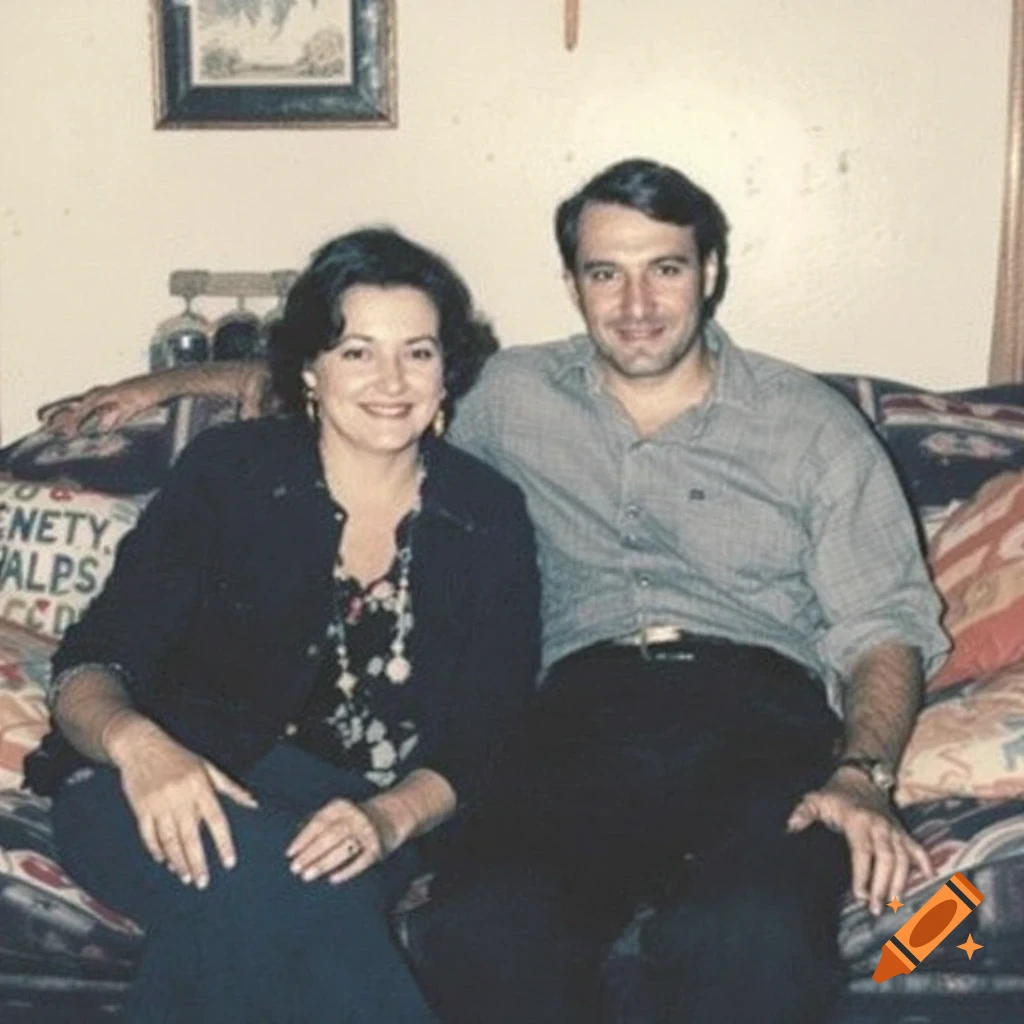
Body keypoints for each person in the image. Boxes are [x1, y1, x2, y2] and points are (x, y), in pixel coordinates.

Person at [40, 158, 948, 1024]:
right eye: (605, 273)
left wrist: (862, 773)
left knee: (750, 939)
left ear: (709, 271)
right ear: (572, 284)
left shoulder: (812, 426)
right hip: (574, 721)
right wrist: (168, 382)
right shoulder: (511, 396)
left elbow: (883, 625)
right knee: (482, 932)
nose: (635, 305)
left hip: (757, 716)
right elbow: (357, 383)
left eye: (664, 268)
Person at [24, 228, 541, 1024]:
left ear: (449, 370)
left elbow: (486, 736)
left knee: (238, 923)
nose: (391, 381)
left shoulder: (488, 513)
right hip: (162, 785)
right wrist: (141, 747)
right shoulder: (231, 472)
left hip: (358, 815)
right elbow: (94, 660)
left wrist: (386, 817)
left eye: (419, 352)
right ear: (311, 369)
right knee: (288, 895)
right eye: (357, 352)